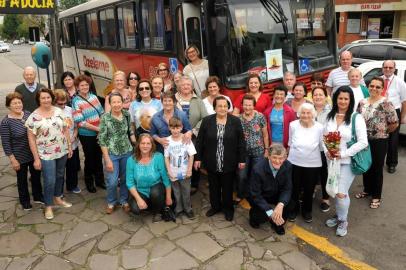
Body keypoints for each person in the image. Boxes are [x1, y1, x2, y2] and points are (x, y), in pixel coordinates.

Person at [324, 86, 368, 237]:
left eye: (346, 99)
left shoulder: (356, 117)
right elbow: (324, 137)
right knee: (335, 190)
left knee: (341, 192)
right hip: (333, 161)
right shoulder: (330, 116)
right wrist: (327, 152)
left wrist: (343, 153)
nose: (342, 101)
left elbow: (363, 142)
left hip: (348, 161)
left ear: (350, 100)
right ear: (336, 99)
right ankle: (339, 215)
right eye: (340, 98)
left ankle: (343, 220)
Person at [195, 96, 246, 221]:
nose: (223, 108)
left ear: (228, 107)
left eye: (225, 106)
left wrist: (242, 159)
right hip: (211, 160)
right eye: (219, 106)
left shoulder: (235, 121)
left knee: (228, 187)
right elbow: (200, 141)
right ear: (215, 108)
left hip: (229, 161)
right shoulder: (207, 121)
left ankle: (228, 209)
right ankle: (215, 207)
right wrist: (198, 158)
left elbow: (241, 142)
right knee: (214, 186)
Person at [26, 89, 73, 220]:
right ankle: (48, 206)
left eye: (48, 97)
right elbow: (31, 139)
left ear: (51, 98)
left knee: (59, 175)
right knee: (49, 180)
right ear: (39, 100)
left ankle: (58, 197)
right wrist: (36, 158)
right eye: (43, 98)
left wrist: (69, 146)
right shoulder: (33, 117)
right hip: (45, 154)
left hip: (62, 150)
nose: (46, 100)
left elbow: (65, 129)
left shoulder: (59, 111)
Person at [357, 77, 398, 209]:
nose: (374, 88)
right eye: (372, 86)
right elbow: (357, 120)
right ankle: (367, 190)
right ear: (368, 87)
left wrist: (383, 132)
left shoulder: (386, 103)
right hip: (363, 140)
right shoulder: (362, 102)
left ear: (382, 89)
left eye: (377, 87)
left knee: (376, 168)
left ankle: (376, 196)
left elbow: (394, 123)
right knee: (365, 166)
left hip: (379, 141)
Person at [0, 92, 43, 210]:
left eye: (19, 102)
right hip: (19, 156)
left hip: (33, 152)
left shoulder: (28, 114)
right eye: (14, 103)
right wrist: (13, 160)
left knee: (36, 176)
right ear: (9, 106)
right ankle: (25, 201)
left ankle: (38, 196)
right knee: (22, 180)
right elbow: (6, 143)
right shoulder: (6, 122)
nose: (18, 105)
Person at [287, 103, 323, 223]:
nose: (305, 115)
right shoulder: (293, 125)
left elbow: (322, 147)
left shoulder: (319, 127)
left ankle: (307, 211)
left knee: (309, 189)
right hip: (294, 162)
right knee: (294, 188)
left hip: (313, 163)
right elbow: (290, 143)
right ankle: (293, 209)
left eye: (308, 113)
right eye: (303, 112)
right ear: (299, 114)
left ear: (313, 114)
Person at [99, 93, 135, 214]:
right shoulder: (105, 118)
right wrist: (107, 159)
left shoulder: (126, 114)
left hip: (127, 152)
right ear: (110, 104)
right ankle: (111, 202)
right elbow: (102, 140)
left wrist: (136, 141)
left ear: (122, 102)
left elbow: (130, 131)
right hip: (112, 153)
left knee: (125, 179)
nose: (116, 104)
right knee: (112, 181)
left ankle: (124, 200)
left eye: (118, 101)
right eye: (113, 102)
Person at [126, 134, 172, 222]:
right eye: (143, 143)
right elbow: (130, 183)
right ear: (138, 144)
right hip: (141, 190)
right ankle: (151, 204)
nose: (145, 146)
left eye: (148, 143)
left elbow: (165, 178)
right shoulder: (131, 160)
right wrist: (139, 199)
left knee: (155, 193)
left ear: (152, 145)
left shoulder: (158, 157)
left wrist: (168, 197)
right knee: (135, 209)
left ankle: (157, 212)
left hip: (156, 188)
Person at [248, 144, 292, 235]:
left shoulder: (288, 166)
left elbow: (287, 188)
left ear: (285, 157)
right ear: (268, 156)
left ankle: (277, 224)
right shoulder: (258, 169)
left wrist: (281, 204)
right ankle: (254, 217)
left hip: (276, 194)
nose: (277, 161)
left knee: (290, 203)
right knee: (261, 216)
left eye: (281, 158)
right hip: (262, 196)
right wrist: (270, 212)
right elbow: (256, 195)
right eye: (274, 157)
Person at [72, 75, 105, 193]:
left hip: (99, 131)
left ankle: (100, 180)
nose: (85, 87)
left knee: (99, 156)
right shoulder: (76, 101)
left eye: (86, 84)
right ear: (77, 87)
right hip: (86, 135)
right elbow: (80, 122)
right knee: (90, 157)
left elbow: (101, 112)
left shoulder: (94, 97)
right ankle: (89, 181)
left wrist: (101, 127)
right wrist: (98, 130)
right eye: (82, 85)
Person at [175, 76, 208, 193]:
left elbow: (205, 118)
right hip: (176, 135)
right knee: (178, 158)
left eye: (188, 85)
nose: (185, 87)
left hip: (194, 135)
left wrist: (193, 131)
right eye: (183, 84)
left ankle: (194, 183)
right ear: (179, 86)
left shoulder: (198, 100)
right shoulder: (173, 99)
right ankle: (179, 181)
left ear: (192, 87)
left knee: (194, 158)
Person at [237, 94, 269, 201]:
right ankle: (241, 194)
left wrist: (266, 150)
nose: (247, 107)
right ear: (242, 105)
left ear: (254, 105)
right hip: (243, 153)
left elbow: (265, 134)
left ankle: (255, 195)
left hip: (258, 151)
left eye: (250, 105)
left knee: (256, 174)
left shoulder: (260, 117)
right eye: (245, 105)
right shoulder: (238, 119)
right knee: (242, 176)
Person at [164, 117, 196, 219]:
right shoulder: (167, 141)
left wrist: (189, 169)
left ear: (181, 127)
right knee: (176, 192)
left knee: (186, 191)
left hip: (185, 171)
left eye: (177, 128)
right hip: (173, 172)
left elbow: (191, 155)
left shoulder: (186, 139)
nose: (175, 130)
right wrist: (169, 171)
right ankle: (178, 208)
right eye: (173, 128)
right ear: (169, 128)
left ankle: (188, 209)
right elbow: (166, 157)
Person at [380, 60, 406, 173]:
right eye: (386, 67)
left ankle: (391, 163)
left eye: (390, 67)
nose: (388, 69)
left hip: (394, 112)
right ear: (382, 68)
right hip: (380, 111)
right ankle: (379, 162)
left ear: (394, 69)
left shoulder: (400, 82)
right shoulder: (378, 80)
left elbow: (404, 101)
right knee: (380, 138)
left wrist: (403, 117)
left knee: (393, 140)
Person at [53, 89, 80, 194]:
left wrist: (74, 136)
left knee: (72, 167)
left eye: (65, 102)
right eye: (60, 103)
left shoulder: (70, 110)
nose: (63, 105)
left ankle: (72, 185)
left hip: (72, 144)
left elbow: (76, 126)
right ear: (54, 102)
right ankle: (58, 190)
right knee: (59, 170)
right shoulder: (52, 112)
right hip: (59, 146)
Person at [312, 86, 332, 212]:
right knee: (311, 171)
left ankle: (325, 198)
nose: (318, 97)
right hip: (311, 147)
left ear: (325, 97)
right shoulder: (308, 109)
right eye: (315, 95)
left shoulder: (331, 112)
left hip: (325, 148)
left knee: (325, 172)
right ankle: (311, 190)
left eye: (320, 94)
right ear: (312, 97)